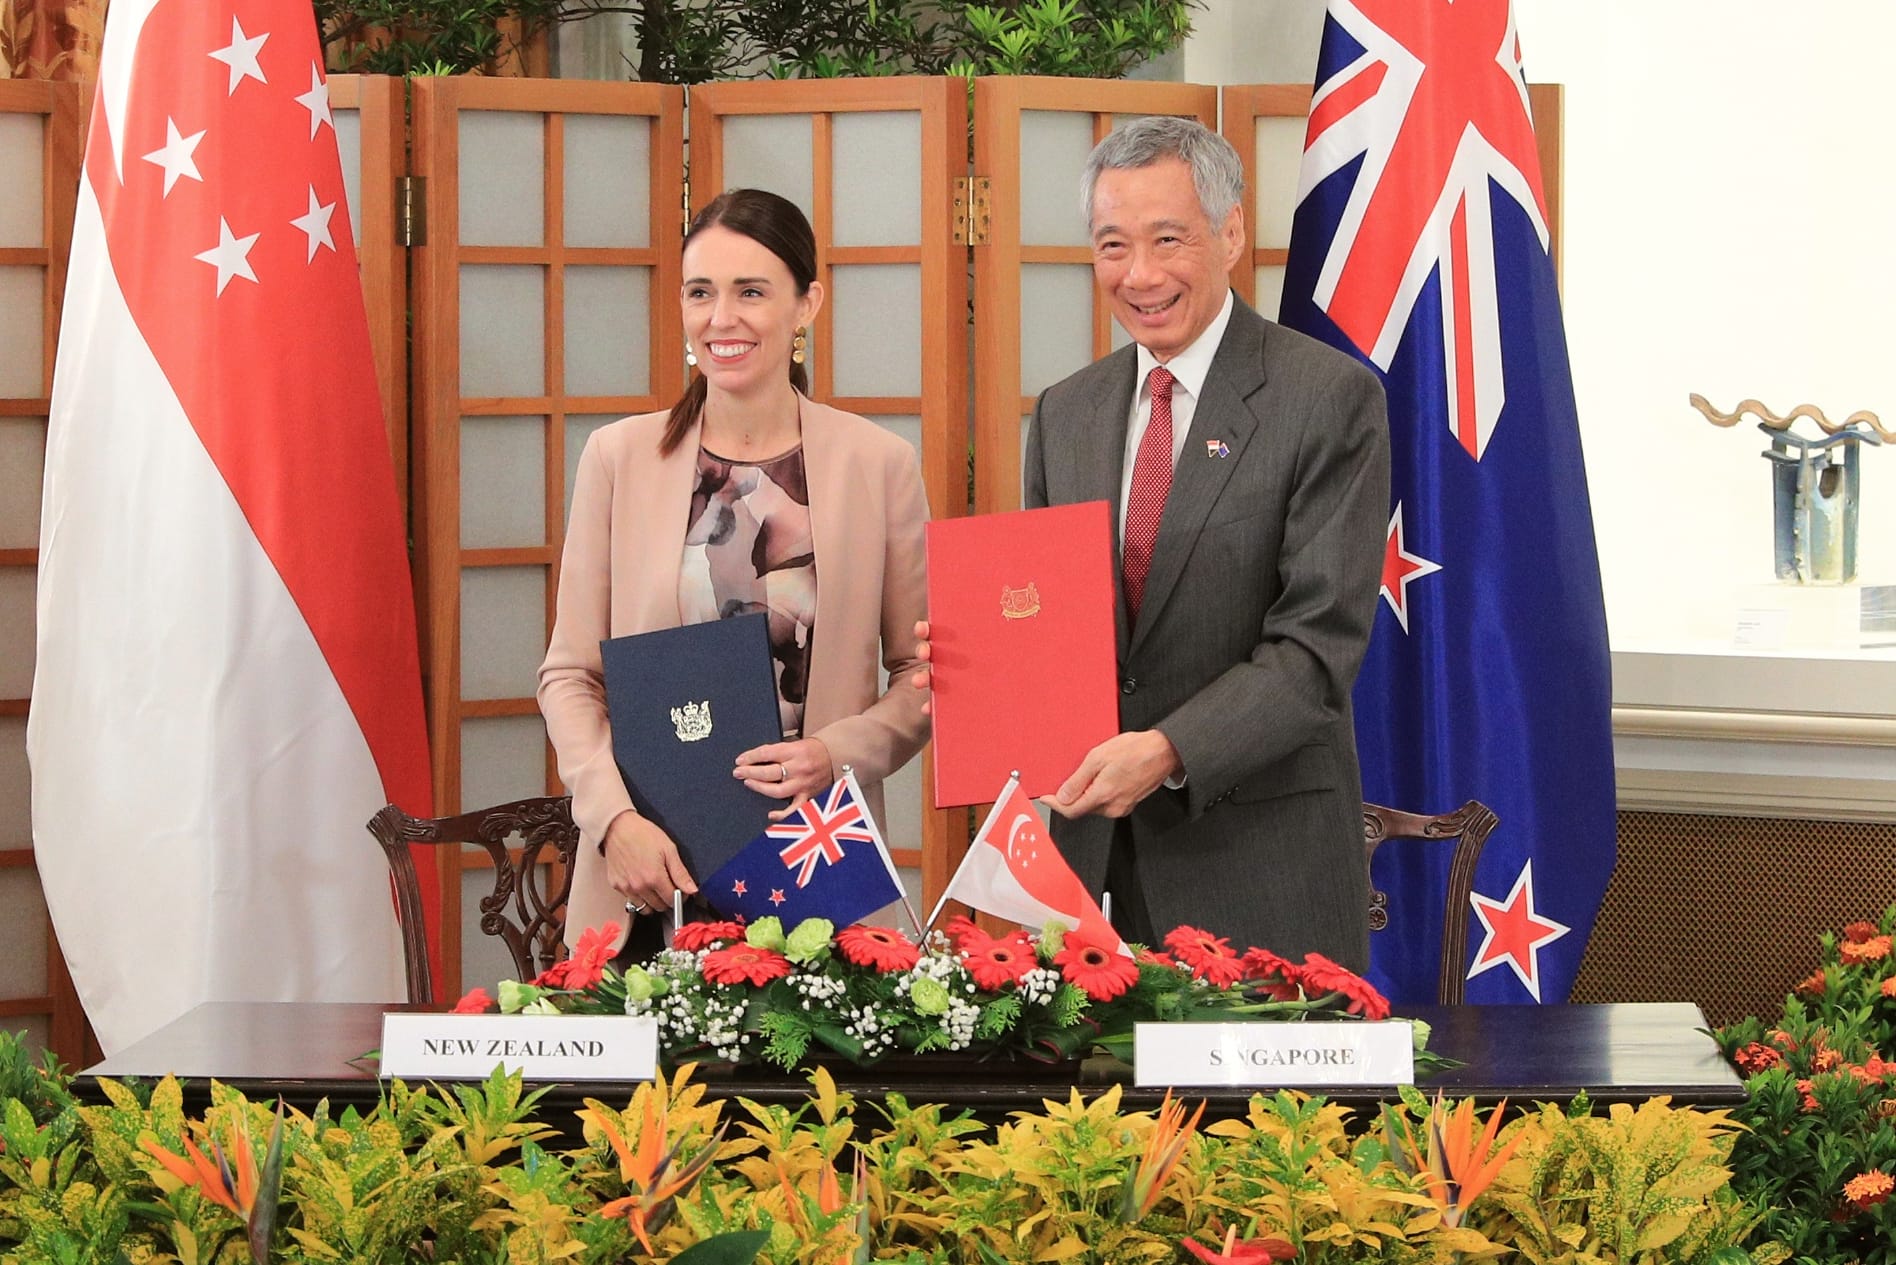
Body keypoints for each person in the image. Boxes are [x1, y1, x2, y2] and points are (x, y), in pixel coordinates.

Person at [921, 116, 1389, 969]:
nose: (1139, 275)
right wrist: (976, 657)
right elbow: (1049, 624)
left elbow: (1317, 652)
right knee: (1092, 1110)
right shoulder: (1067, 412)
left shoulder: (1326, 398)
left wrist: (1169, 751)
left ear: (1232, 231)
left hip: (1259, 863)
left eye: (1166, 240)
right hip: (1089, 872)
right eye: (1111, 246)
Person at [541, 188, 930, 960]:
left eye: (752, 291)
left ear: (806, 304)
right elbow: (568, 675)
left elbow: (923, 671)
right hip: (651, 877)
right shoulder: (618, 459)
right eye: (700, 292)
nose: (723, 318)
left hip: (820, 869)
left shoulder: (879, 464)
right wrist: (615, 821)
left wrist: (839, 751)